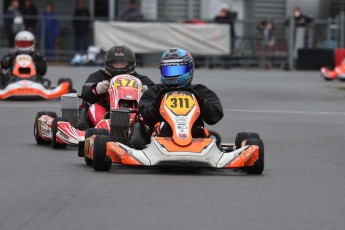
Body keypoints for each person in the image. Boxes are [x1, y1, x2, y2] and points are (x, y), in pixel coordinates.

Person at [139, 47, 223, 136]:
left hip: (194, 136)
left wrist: (200, 102)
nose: (172, 74)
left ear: (189, 69)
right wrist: (156, 106)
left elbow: (215, 116)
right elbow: (145, 117)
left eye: (177, 70)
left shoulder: (199, 91)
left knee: (200, 132)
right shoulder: (155, 91)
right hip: (160, 138)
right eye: (169, 70)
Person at [81, 45, 155, 126]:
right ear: (109, 64)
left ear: (130, 64)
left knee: (150, 110)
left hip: (136, 115)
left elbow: (156, 94)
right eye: (116, 63)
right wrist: (97, 89)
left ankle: (139, 126)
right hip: (107, 113)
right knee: (94, 107)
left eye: (123, 63)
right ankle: (103, 126)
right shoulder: (99, 76)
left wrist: (147, 91)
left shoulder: (140, 79)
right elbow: (84, 94)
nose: (119, 66)